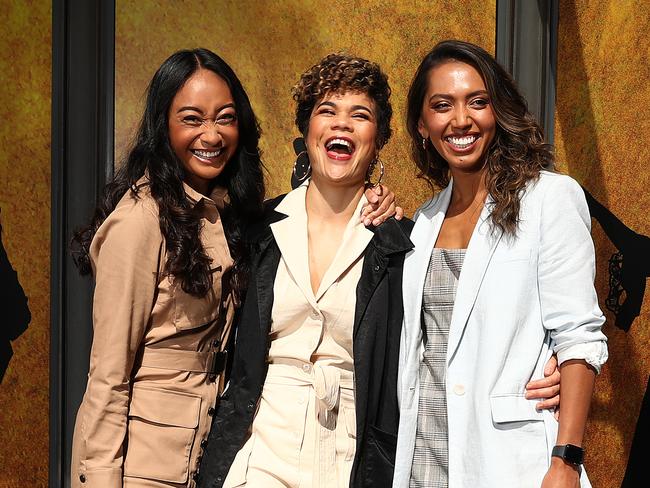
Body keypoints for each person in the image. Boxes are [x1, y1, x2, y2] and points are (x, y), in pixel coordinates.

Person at [69, 48, 397, 488]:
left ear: (379, 138)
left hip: (263, 455)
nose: (210, 134)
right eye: (191, 118)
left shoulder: (392, 243)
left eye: (224, 117)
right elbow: (108, 377)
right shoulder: (201, 225)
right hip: (209, 458)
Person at [393, 40, 608, 488]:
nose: (461, 120)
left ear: (499, 111)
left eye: (477, 101)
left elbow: (579, 336)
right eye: (442, 105)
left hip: (513, 461)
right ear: (421, 124)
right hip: (423, 458)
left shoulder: (549, 197)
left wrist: (565, 460)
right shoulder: (423, 221)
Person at [197, 52, 414, 488]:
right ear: (307, 128)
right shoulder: (257, 229)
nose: (341, 124)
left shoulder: (400, 243)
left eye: (360, 115)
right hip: (262, 442)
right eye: (326, 111)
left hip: (351, 451)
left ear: (379, 138)